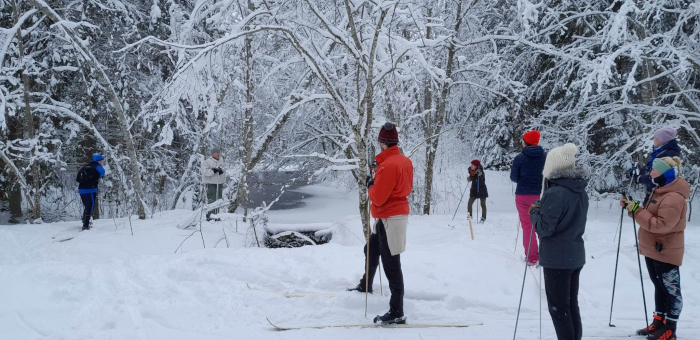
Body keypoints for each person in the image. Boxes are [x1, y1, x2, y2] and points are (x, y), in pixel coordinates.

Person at [348, 122, 414, 325]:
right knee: (371, 248)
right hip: (390, 217)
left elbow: (377, 198)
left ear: (383, 143)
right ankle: (366, 284)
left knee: (392, 264)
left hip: (390, 219)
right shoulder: (404, 161)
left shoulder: (388, 165)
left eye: (379, 142)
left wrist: (371, 185)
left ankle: (397, 311)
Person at [621, 157, 687, 340]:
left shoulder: (673, 197)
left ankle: (670, 328)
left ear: (665, 174)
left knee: (671, 291)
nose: (650, 173)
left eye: (654, 171)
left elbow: (661, 225)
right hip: (654, 248)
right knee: (659, 286)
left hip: (667, 250)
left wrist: (638, 211)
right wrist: (632, 208)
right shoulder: (659, 192)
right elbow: (650, 215)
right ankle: (659, 322)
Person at [530, 143, 588, 340]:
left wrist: (534, 212)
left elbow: (545, 229)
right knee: (570, 304)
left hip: (558, 259)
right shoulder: (578, 189)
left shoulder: (555, 193)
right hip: (574, 255)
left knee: (559, 308)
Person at [511, 130, 546, 265]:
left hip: (522, 195)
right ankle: (546, 255)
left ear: (525, 142)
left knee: (528, 227)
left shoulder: (520, 158)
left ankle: (532, 258)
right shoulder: (545, 157)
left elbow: (514, 178)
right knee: (543, 226)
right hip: (540, 195)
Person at [630, 127, 681, 205]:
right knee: (644, 214)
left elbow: (658, 177)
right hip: (653, 192)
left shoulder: (667, 155)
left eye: (655, 137)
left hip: (660, 194)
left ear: (661, 140)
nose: (653, 139)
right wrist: (638, 173)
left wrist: (639, 179)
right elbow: (649, 167)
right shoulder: (659, 151)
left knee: (648, 215)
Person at [76, 153, 106, 230]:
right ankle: (85, 225)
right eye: (102, 160)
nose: (102, 162)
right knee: (90, 206)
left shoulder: (86, 166)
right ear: (99, 161)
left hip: (81, 189)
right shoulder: (98, 167)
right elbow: (102, 173)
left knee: (87, 206)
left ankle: (84, 221)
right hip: (90, 190)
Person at [201, 148, 225, 220]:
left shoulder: (221, 161)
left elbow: (224, 170)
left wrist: (221, 171)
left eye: (219, 152)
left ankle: (217, 216)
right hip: (211, 183)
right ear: (213, 154)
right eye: (217, 152)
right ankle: (210, 216)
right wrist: (213, 171)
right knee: (212, 199)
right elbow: (204, 171)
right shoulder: (207, 162)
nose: (219, 154)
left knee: (219, 200)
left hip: (219, 183)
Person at [467, 159, 488, 224]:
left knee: (482, 204)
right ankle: (469, 216)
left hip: (481, 190)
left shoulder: (481, 172)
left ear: (476, 166)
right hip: (474, 190)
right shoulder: (471, 171)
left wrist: (480, 176)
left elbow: (482, 181)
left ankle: (483, 218)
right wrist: (470, 178)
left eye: (473, 165)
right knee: (470, 203)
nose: (471, 166)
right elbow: (471, 178)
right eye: (471, 164)